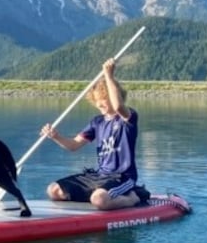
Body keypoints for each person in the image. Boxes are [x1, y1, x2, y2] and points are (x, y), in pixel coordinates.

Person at [41, 58, 150, 210]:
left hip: (122, 177)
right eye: (97, 100)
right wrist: (55, 136)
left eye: (104, 99)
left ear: (114, 95)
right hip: (99, 176)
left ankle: (132, 198)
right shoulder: (97, 122)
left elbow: (118, 106)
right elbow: (74, 145)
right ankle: (99, 195)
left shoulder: (128, 119)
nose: (100, 103)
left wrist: (109, 76)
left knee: (99, 200)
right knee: (53, 191)